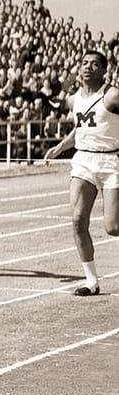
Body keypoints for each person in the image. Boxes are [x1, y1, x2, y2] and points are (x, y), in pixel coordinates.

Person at [44, 50, 119, 296]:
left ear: (103, 70)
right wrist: (60, 147)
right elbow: (81, 127)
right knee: (78, 220)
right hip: (83, 161)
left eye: (94, 64)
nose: (88, 67)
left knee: (113, 226)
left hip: (110, 162)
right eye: (85, 63)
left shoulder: (112, 96)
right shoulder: (74, 99)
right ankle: (91, 281)